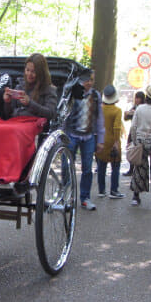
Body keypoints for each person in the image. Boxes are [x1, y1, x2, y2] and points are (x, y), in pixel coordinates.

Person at [64, 69, 105, 210]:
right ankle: (65, 196)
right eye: (86, 79)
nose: (89, 82)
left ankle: (85, 198)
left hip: (88, 136)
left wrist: (101, 139)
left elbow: (99, 119)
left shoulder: (95, 96)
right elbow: (64, 115)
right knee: (67, 165)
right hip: (71, 134)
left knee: (87, 169)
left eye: (92, 79)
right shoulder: (72, 94)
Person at [3, 53, 57, 120]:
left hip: (34, 124)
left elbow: (51, 114)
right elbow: (8, 115)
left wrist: (30, 103)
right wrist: (7, 102)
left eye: (33, 71)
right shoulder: (20, 86)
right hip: (15, 122)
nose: (29, 74)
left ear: (41, 72)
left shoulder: (49, 89)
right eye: (27, 70)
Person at [94, 85, 125, 199]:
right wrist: (116, 142)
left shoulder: (100, 109)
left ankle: (101, 190)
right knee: (115, 167)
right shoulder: (117, 110)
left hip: (101, 141)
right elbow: (117, 127)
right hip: (112, 141)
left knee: (101, 166)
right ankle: (114, 190)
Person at [123, 90, 145, 176]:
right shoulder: (134, 107)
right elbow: (126, 118)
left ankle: (138, 170)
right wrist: (126, 114)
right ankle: (131, 169)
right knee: (131, 149)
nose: (136, 100)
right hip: (133, 132)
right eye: (135, 98)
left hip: (140, 132)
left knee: (139, 151)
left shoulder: (143, 108)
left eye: (138, 98)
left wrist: (134, 113)